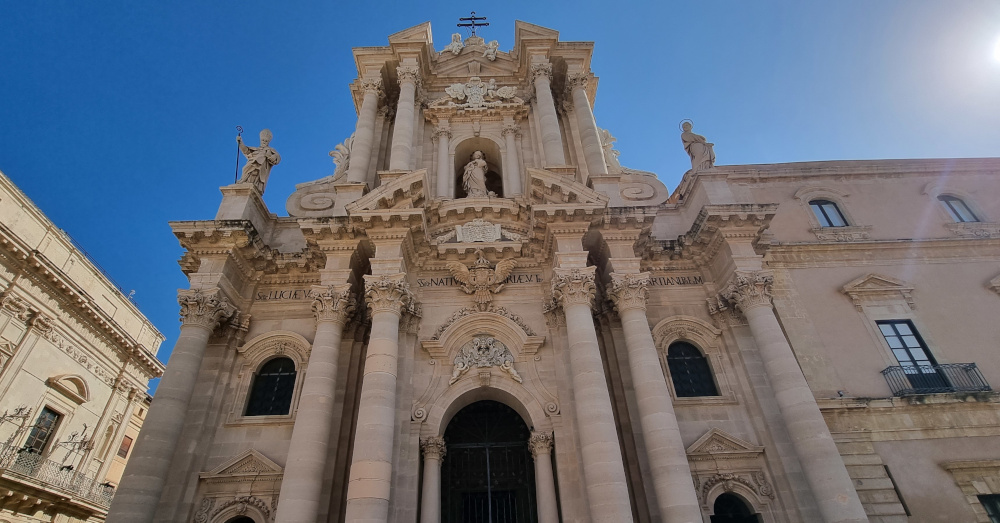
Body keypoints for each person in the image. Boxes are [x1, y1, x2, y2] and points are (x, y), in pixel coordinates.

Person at [237, 129, 281, 193]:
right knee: (245, 169)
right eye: (263, 140)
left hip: (261, 168)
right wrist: (240, 143)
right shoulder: (255, 149)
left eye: (266, 141)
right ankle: (244, 180)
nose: (264, 142)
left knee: (256, 168)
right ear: (260, 140)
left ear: (268, 142)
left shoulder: (270, 150)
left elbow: (277, 157)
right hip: (251, 164)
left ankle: (254, 184)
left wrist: (272, 157)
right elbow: (246, 151)